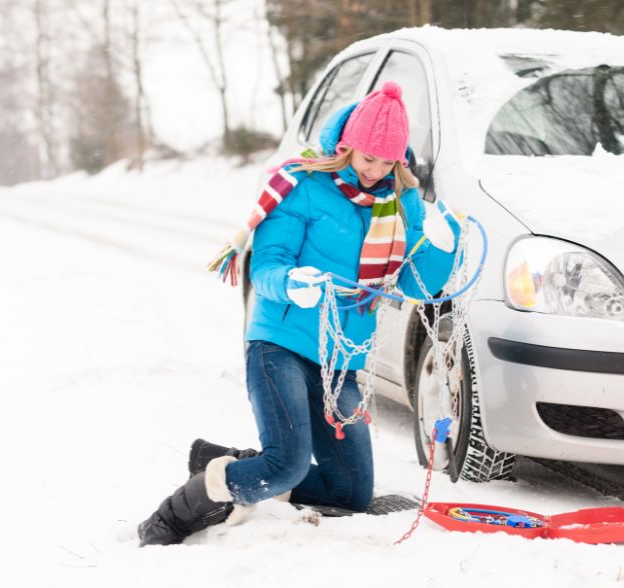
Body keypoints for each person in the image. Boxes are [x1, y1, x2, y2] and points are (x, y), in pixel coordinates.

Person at [137, 81, 462, 547]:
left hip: (339, 363)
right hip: (280, 344)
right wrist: (294, 283)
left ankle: (237, 465)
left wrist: (440, 249)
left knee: (350, 493)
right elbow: (266, 265)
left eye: (386, 161)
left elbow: (416, 285)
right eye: (367, 158)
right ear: (346, 147)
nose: (374, 170)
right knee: (287, 464)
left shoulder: (400, 201)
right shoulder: (302, 185)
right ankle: (179, 511)